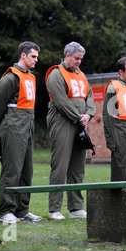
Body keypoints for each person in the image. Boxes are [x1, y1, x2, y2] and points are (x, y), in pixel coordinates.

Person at [0, 41, 42, 223]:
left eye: (37, 56)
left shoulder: (31, 77)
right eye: (33, 56)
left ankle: (22, 210)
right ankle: (6, 211)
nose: (36, 60)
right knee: (12, 170)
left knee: (26, 170)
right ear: (23, 55)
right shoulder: (10, 78)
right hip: (12, 127)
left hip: (27, 127)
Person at [45, 41, 95, 220]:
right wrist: (78, 116)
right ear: (67, 56)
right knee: (60, 164)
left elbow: (89, 95)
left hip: (80, 122)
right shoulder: (56, 74)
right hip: (62, 121)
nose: (79, 62)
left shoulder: (81, 74)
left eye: (81, 59)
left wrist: (88, 115)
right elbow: (60, 101)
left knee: (78, 166)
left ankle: (76, 208)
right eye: (76, 58)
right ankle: (54, 209)